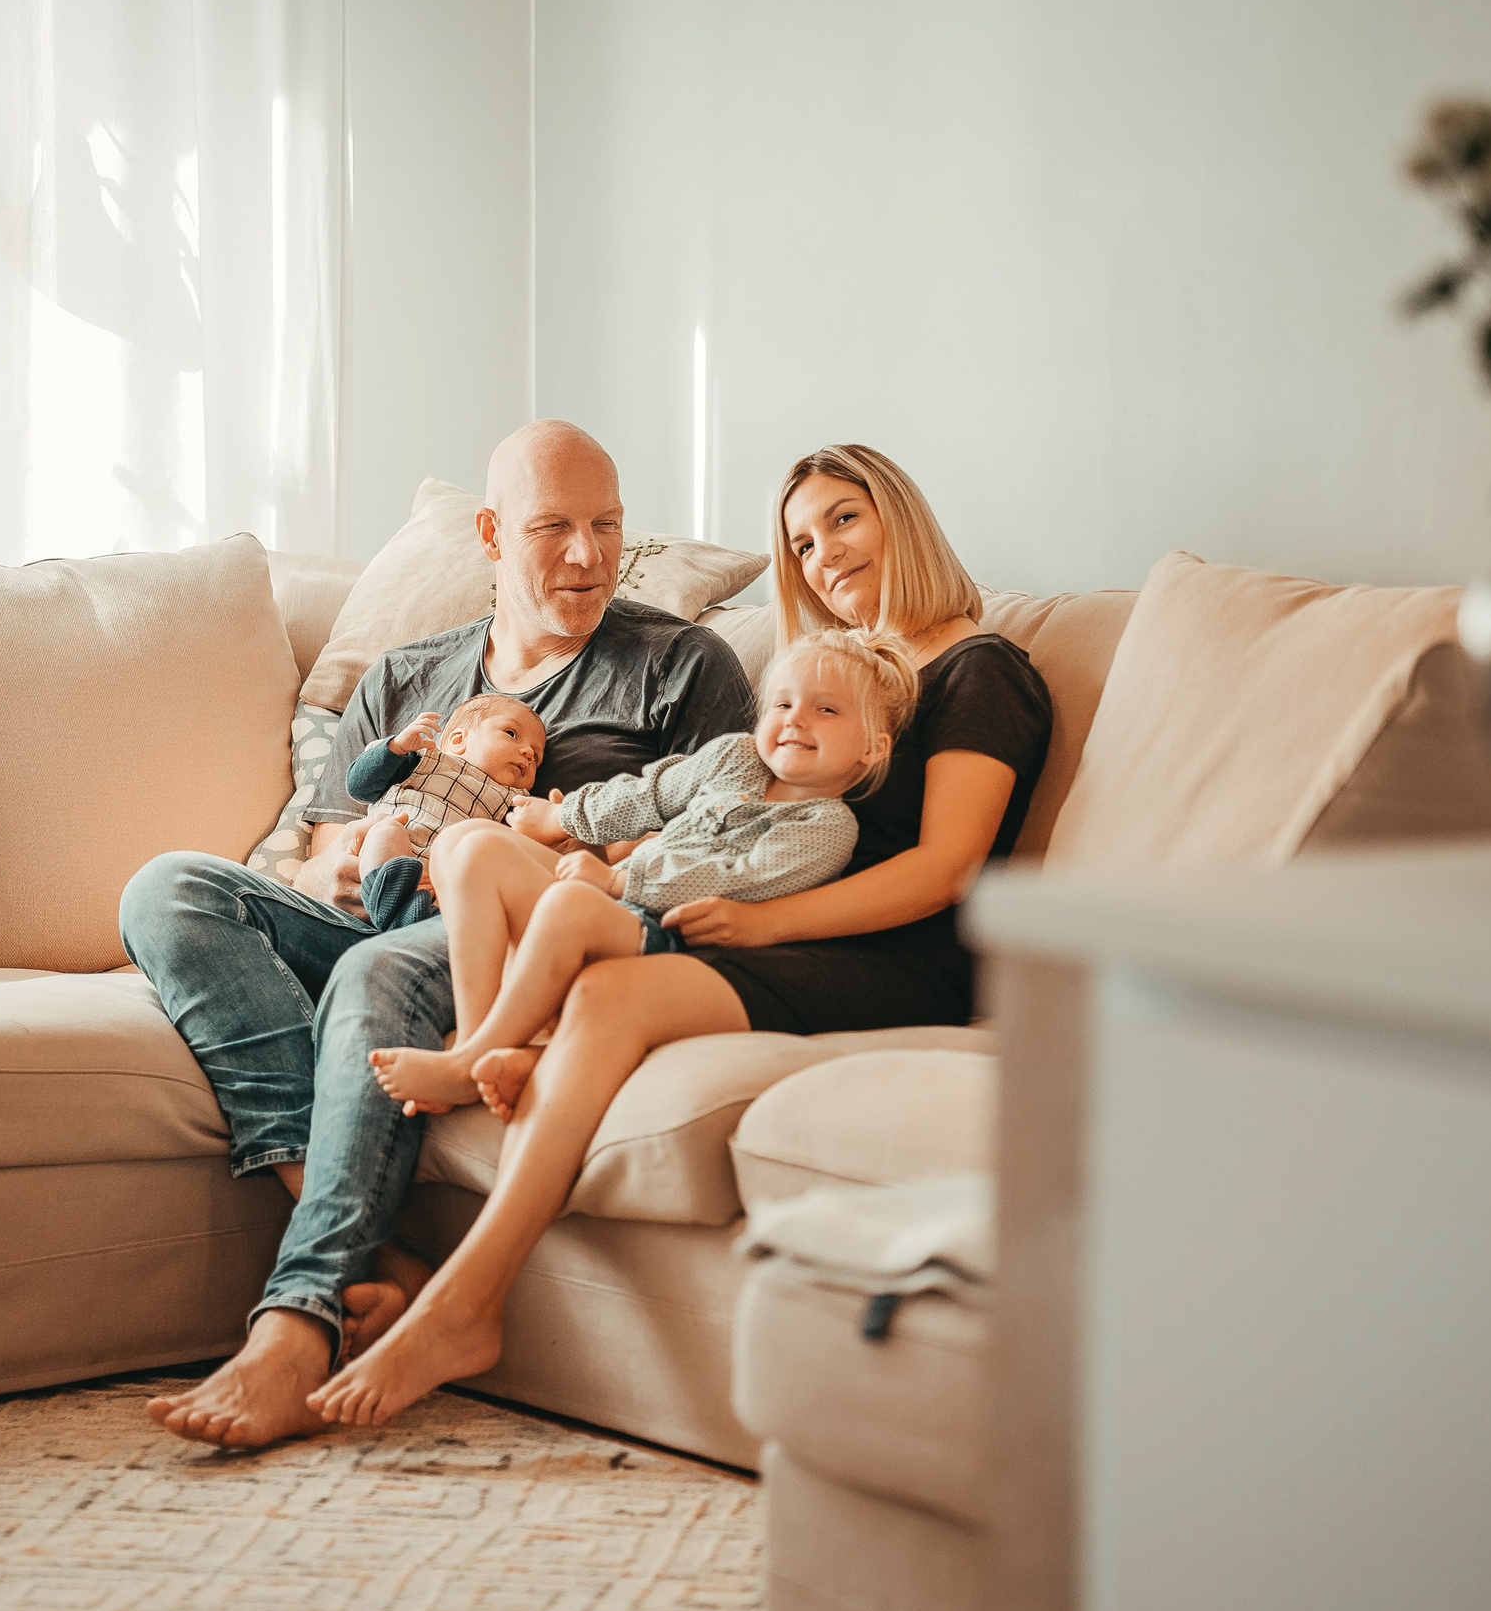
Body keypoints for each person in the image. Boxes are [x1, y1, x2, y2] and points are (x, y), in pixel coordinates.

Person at [300, 443, 1054, 1428]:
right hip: (765, 918)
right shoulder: (824, 682)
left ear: (898, 517)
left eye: (843, 519)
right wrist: (570, 832)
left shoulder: (977, 670)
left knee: (608, 985)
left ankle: (459, 1301)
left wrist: (764, 921)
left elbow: (943, 868)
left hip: (889, 957)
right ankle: (475, 1194)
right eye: (799, 540)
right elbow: (680, 798)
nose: (823, 553)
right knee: (531, 903)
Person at [118, 419, 756, 1448]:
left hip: (524, 940)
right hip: (387, 912)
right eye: (555, 528)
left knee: (373, 971)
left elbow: (697, 858)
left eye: (607, 527)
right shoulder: (407, 679)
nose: (588, 556)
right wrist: (351, 859)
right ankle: (372, 1256)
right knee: (170, 888)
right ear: (494, 535)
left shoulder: (680, 668)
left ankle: (298, 1318)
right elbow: (327, 857)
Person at [360, 627, 919, 1120]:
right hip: (618, 905)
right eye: (783, 704)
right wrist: (560, 815)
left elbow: (737, 878)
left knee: (571, 903)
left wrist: (619, 881)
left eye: (826, 709)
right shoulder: (736, 758)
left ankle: (470, 1061)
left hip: (675, 942)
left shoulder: (827, 824)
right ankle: (482, 1037)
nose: (795, 719)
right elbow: (646, 795)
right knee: (465, 842)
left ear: (873, 747)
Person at [343, 693, 546, 933]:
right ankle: (393, 904)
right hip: (393, 855)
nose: (528, 753)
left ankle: (418, 915)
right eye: (511, 734)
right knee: (387, 830)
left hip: (440, 884)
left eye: (537, 756)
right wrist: (396, 748)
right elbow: (359, 788)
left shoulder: (514, 801)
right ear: (459, 740)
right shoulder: (421, 760)